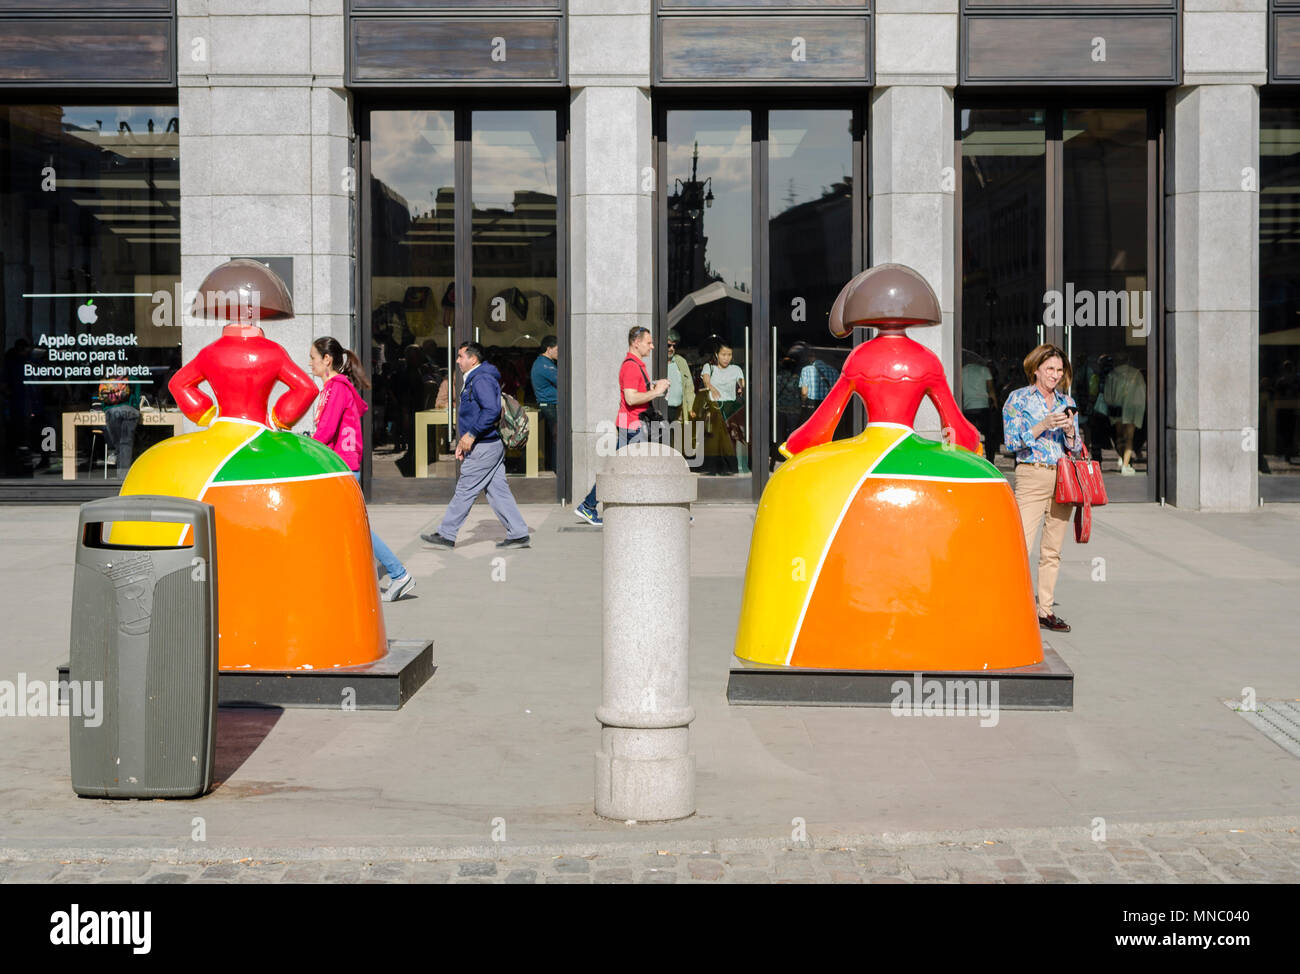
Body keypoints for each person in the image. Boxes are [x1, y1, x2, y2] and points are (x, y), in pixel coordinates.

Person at [309, 336, 414, 602]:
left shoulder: (336, 388)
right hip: (340, 465)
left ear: (327, 360)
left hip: (341, 466)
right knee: (344, 527)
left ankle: (398, 574)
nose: (309, 363)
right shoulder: (337, 388)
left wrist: (304, 445)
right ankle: (351, 579)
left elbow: (326, 432)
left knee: (356, 528)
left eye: (312, 358)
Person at [1002, 343, 1083, 633]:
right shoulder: (1018, 399)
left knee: (1053, 550)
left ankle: (1045, 610)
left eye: (1060, 370)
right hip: (1032, 476)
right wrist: (1043, 424)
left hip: (1062, 477)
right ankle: (1013, 607)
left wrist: (1071, 431)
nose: (1055, 375)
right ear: (1035, 369)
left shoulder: (1066, 401)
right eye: (1050, 369)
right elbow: (1011, 442)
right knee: (1021, 545)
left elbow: (1076, 448)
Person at [421, 342, 531, 549]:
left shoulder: (480, 379)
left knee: (465, 489)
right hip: (487, 444)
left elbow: (490, 410)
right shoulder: (477, 378)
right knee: (498, 491)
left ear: (473, 359)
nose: (457, 360)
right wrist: (465, 441)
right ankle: (518, 533)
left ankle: (446, 534)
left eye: (461, 356)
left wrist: (470, 435)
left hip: (484, 445)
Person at [575, 326, 670, 526]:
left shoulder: (638, 365)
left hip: (634, 425)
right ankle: (589, 505)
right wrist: (656, 392)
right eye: (648, 342)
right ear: (636, 342)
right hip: (632, 426)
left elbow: (636, 393)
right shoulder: (630, 366)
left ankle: (590, 505)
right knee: (620, 470)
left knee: (624, 469)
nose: (652, 346)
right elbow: (630, 398)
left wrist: (654, 386)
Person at [700, 342, 746, 474]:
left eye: (729, 355)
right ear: (716, 355)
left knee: (729, 438)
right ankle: (712, 467)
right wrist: (712, 388)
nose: (726, 358)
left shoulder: (736, 369)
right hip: (714, 406)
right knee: (713, 438)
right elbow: (706, 381)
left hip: (729, 406)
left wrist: (741, 387)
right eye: (723, 355)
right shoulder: (709, 367)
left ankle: (728, 468)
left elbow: (741, 383)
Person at [1103, 351, 1146, 475]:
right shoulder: (1135, 374)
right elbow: (1141, 393)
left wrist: (1110, 405)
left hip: (1117, 409)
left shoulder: (1113, 374)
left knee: (1120, 437)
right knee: (1129, 438)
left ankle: (1123, 459)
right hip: (1131, 409)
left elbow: (1108, 395)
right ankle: (1125, 464)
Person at [98, 366, 141, 475]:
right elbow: (136, 399)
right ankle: (123, 476)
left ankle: (121, 472)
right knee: (126, 442)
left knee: (118, 444)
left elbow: (103, 400)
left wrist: (105, 408)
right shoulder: (133, 379)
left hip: (112, 411)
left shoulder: (106, 379)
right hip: (130, 410)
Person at [664, 329, 696, 452]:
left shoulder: (680, 361)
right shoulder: (656, 361)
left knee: (677, 446)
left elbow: (689, 386)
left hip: (677, 411)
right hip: (662, 409)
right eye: (668, 345)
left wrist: (690, 407)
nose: (671, 348)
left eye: (674, 345)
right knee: (664, 445)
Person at [530, 335, 559, 471]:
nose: (560, 353)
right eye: (558, 349)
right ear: (549, 349)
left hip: (549, 406)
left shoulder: (543, 363)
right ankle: (557, 469)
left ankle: (554, 467)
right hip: (550, 406)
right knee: (557, 439)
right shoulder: (545, 365)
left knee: (555, 439)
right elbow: (562, 380)